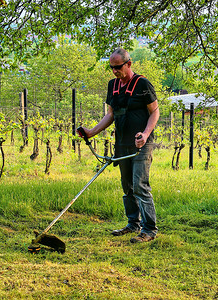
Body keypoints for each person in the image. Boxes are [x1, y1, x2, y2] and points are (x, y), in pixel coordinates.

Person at [79, 48, 159, 243]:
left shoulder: (142, 84)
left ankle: (149, 229)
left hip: (141, 143)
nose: (115, 71)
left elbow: (155, 112)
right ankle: (133, 224)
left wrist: (146, 134)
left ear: (128, 64)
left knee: (140, 185)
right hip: (122, 143)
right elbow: (111, 114)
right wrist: (91, 132)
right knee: (127, 186)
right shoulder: (112, 85)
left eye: (118, 67)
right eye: (111, 68)